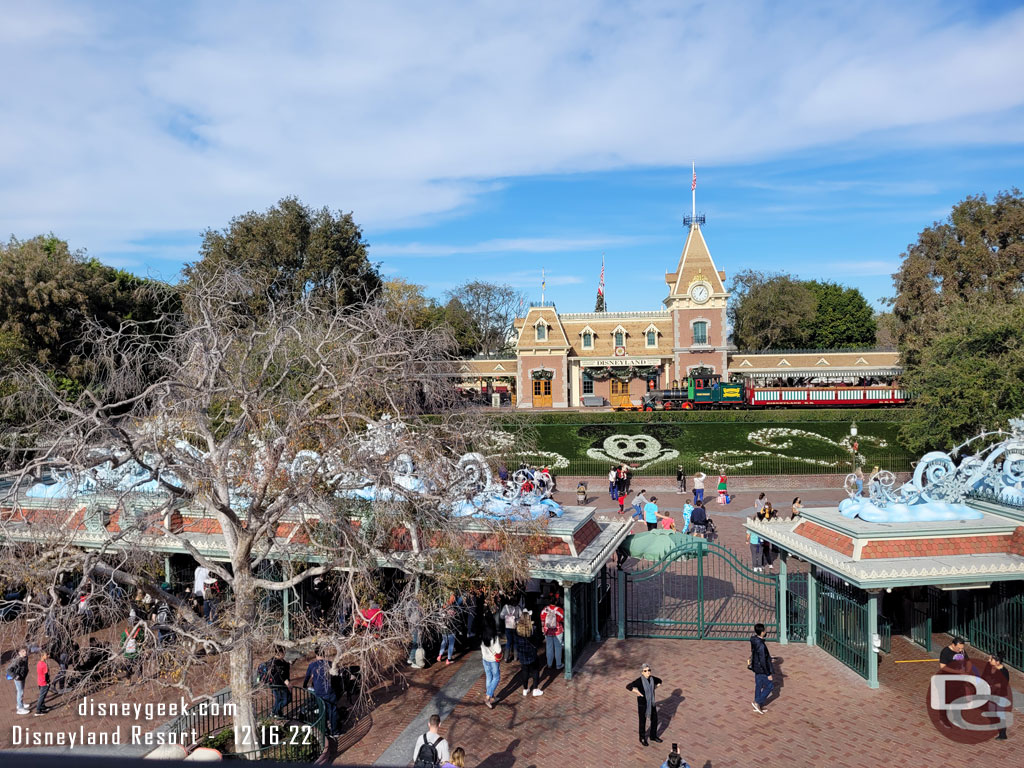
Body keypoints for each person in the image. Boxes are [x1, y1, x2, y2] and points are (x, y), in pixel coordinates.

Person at [303, 649, 340, 734]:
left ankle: (325, 730)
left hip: (318, 692)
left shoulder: (312, 665)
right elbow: (336, 677)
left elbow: (307, 677)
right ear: (325, 654)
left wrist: (305, 686)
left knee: (322, 711)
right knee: (332, 710)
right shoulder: (330, 664)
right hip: (329, 691)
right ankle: (334, 731)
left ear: (316, 655)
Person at [626, 663, 663, 747]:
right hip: (642, 705)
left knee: (655, 720)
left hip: (652, 703)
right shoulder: (639, 681)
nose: (648, 672)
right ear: (642, 672)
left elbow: (660, 681)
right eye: (645, 671)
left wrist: (653, 689)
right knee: (642, 722)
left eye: (649, 670)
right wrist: (638, 693)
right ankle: (642, 738)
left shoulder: (652, 679)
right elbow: (628, 686)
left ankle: (653, 736)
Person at [513, 613, 542, 696]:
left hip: (522, 654)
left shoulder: (517, 630)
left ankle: (525, 689)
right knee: (535, 671)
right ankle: (535, 689)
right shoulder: (532, 629)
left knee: (525, 671)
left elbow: (515, 642)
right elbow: (537, 641)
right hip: (531, 654)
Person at [750, 623, 774, 714]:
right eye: (765, 630)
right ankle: (757, 702)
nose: (766, 631)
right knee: (770, 686)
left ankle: (757, 704)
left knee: (759, 685)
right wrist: (768, 674)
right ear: (762, 632)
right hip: (762, 669)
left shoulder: (754, 640)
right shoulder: (761, 645)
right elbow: (763, 660)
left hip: (756, 667)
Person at [986, 653, 1010, 740]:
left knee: (1000, 713)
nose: (989, 660)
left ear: (997, 662)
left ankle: (1003, 734)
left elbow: (1002, 685)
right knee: (991, 709)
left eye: (991, 659)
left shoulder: (1004, 672)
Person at [263, 648, 292, 716]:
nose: (284, 654)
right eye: (283, 652)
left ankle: (277, 712)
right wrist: (287, 682)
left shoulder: (280, 661)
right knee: (284, 700)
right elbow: (281, 674)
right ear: (280, 653)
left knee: (283, 699)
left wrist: (288, 664)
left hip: (280, 684)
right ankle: (274, 712)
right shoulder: (275, 662)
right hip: (277, 685)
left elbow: (284, 671)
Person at [480, 622, 502, 708]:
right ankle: (488, 696)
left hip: (485, 659)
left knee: (489, 677)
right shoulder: (495, 638)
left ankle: (492, 697)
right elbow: (499, 650)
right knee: (496, 678)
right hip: (493, 661)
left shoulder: (482, 637)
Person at [540, 595, 564, 670]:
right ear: (556, 601)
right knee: (558, 648)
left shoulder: (545, 609)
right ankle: (558, 664)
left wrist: (543, 628)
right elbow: (562, 619)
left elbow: (542, 620)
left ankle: (549, 664)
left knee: (549, 647)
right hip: (558, 631)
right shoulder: (559, 610)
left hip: (547, 631)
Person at [499, 596, 523, 663]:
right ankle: (515, 657)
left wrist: (507, 617)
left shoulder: (505, 607)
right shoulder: (518, 607)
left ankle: (506, 658)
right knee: (515, 642)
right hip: (515, 626)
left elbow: (501, 616)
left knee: (509, 641)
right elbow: (521, 616)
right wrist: (516, 619)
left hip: (507, 626)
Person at [7, 647, 29, 715]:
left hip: (23, 677)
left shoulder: (25, 658)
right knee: (20, 692)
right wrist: (16, 676)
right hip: (18, 679)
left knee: (20, 691)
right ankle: (20, 708)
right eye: (23, 651)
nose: (25, 652)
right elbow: (8, 670)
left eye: (25, 651)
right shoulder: (17, 660)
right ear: (19, 653)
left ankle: (20, 703)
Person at [34, 649, 50, 716]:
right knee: (42, 696)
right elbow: (46, 674)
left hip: (40, 681)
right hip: (44, 682)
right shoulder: (44, 665)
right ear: (42, 656)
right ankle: (38, 710)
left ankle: (42, 706)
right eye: (46, 655)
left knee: (42, 695)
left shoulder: (39, 663)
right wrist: (47, 682)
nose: (48, 656)